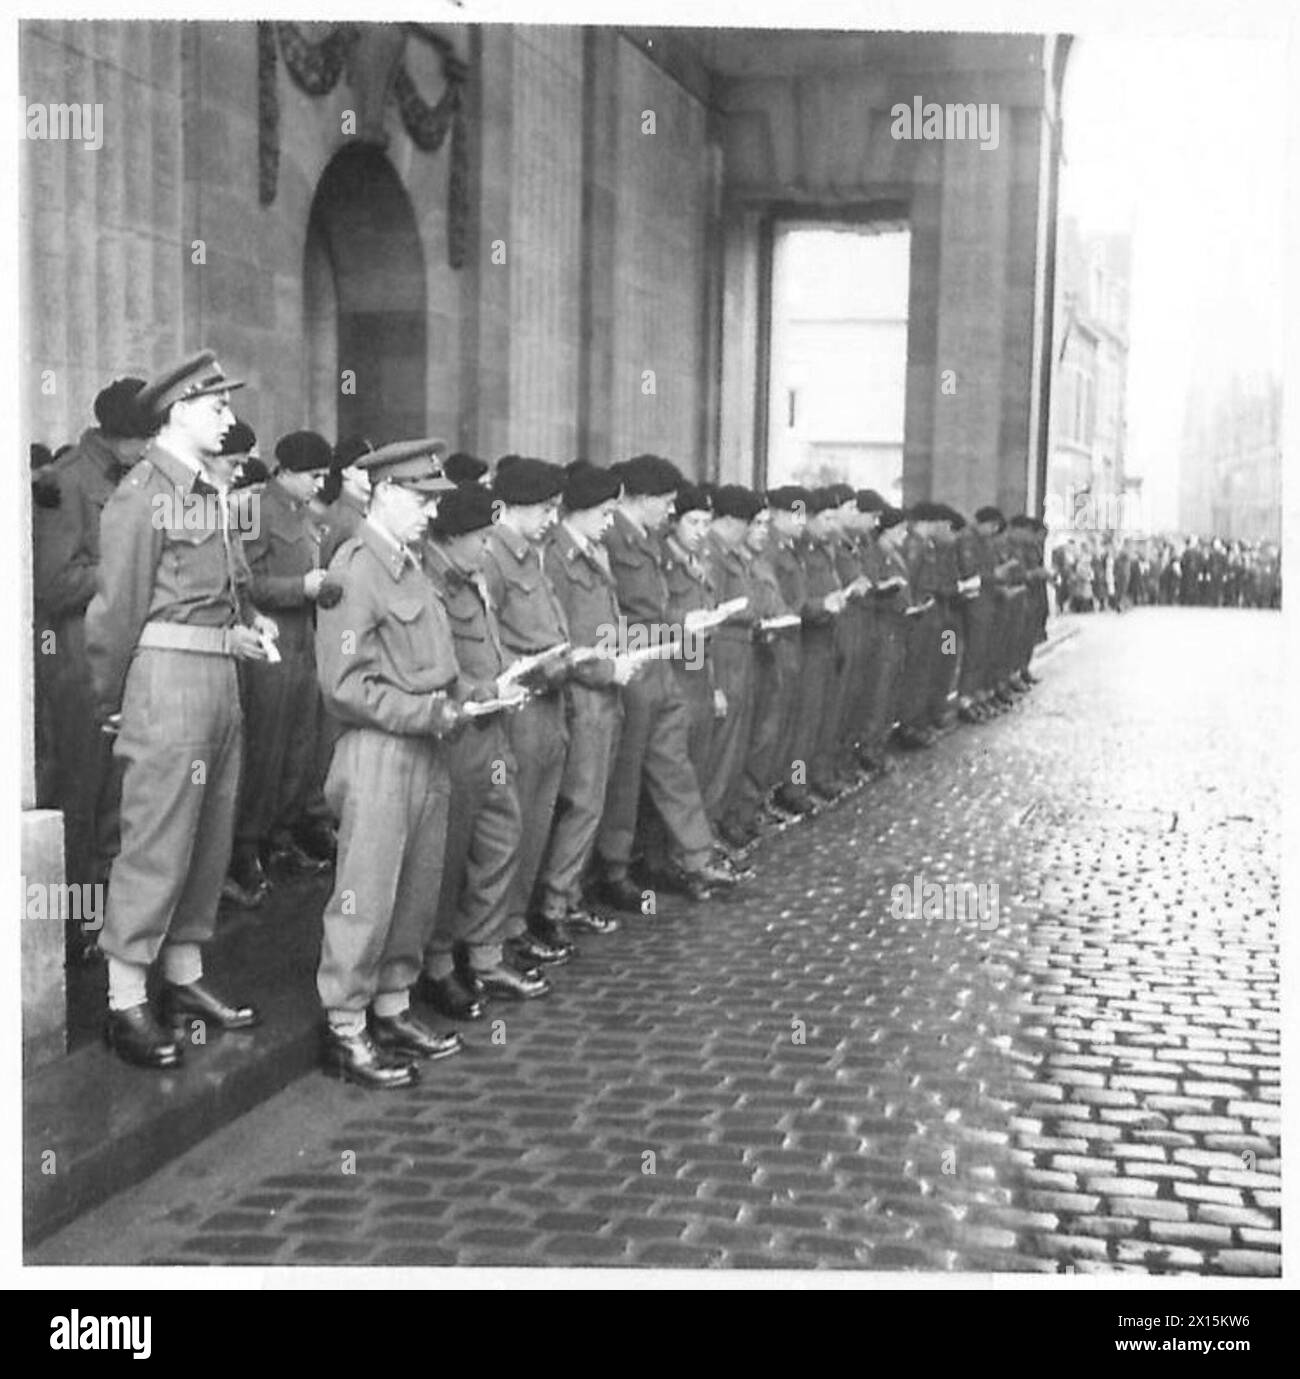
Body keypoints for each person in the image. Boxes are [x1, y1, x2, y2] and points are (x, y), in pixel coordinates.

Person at [85, 350, 269, 1069]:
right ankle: (125, 999)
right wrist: (115, 700)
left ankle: (184, 981)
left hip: (219, 675)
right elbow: (115, 611)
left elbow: (222, 591)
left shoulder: (206, 493)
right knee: (156, 840)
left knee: (207, 838)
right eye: (217, 406)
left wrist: (246, 629)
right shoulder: (143, 494)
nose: (227, 417)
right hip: (166, 683)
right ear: (180, 410)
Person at [314, 439, 465, 1088]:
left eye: (434, 499)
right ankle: (345, 1028)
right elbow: (344, 687)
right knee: (366, 893)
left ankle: (393, 1005)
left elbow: (433, 664)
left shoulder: (411, 565)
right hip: (379, 749)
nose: (431, 512)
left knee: (415, 888)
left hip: (426, 747)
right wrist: (426, 713)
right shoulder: (356, 569)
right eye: (421, 498)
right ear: (384, 494)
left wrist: (465, 702)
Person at [420, 481, 550, 1016]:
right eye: (479, 538)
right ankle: (439, 966)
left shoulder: (470, 575)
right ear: (451, 538)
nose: (486, 547)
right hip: (457, 733)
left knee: (499, 839)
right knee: (448, 860)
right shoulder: (429, 583)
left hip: (492, 729)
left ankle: (486, 955)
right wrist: (483, 691)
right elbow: (430, 668)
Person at [593, 455, 735, 908]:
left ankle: (696, 857)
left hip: (661, 663)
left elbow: (653, 607)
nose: (670, 512)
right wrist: (678, 626)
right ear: (643, 498)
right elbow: (618, 616)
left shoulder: (646, 538)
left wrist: (681, 625)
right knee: (627, 777)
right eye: (667, 503)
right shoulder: (611, 537)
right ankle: (614, 871)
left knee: (675, 765)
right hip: (634, 663)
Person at [32, 377, 153, 901]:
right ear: (122, 434)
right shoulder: (67, 483)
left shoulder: (133, 477)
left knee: (117, 795)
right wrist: (127, 570)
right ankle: (78, 914)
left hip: (119, 657)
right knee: (82, 791)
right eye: (146, 435)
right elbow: (54, 583)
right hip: (79, 659)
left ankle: (104, 907)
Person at [226, 429, 336, 908]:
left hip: (303, 644)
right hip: (270, 645)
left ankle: (281, 836)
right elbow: (246, 586)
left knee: (298, 747)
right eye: (311, 476)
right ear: (286, 472)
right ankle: (245, 848)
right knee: (265, 751)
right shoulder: (253, 510)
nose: (318, 484)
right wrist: (302, 588)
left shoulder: (304, 515)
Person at [481, 456, 577, 965]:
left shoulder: (532, 554)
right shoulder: (492, 556)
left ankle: (515, 922)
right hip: (522, 706)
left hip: (551, 701)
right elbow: (488, 638)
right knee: (510, 826)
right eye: (543, 508)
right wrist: (530, 668)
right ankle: (493, 933)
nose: (550, 519)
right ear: (514, 507)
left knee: (536, 820)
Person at [535, 461, 637, 935]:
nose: (610, 520)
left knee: (592, 801)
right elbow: (564, 641)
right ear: (579, 510)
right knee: (580, 804)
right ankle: (554, 907)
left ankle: (570, 894)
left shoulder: (593, 551)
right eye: (605, 510)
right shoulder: (555, 558)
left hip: (606, 691)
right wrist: (606, 667)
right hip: (582, 695)